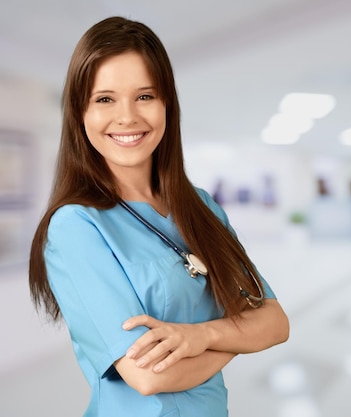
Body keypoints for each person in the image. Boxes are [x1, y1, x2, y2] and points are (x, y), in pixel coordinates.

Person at [28, 16, 289, 417]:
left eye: (145, 96)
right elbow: (147, 376)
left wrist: (200, 337)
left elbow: (274, 322)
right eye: (105, 99)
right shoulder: (75, 227)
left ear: (167, 103)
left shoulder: (201, 207)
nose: (128, 117)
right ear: (80, 113)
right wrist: (238, 337)